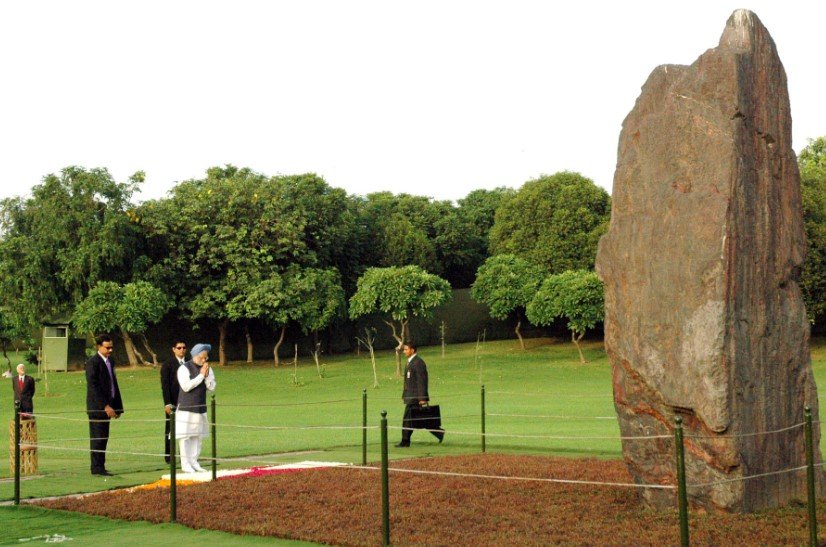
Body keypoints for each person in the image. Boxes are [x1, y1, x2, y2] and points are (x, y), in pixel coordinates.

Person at [85, 334, 124, 476]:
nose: (110, 350)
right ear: (99, 347)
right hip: (97, 408)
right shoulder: (92, 363)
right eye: (107, 347)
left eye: (111, 347)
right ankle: (96, 468)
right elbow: (93, 387)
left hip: (108, 407)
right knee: (98, 438)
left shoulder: (110, 361)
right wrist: (105, 406)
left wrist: (117, 407)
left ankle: (100, 466)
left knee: (104, 437)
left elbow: (113, 385)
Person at [176, 342, 216, 473]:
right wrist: (200, 375)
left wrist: (206, 377)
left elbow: (212, 387)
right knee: (185, 437)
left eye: (206, 358)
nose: (204, 360)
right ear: (195, 356)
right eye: (202, 357)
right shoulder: (184, 368)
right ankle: (185, 464)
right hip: (185, 409)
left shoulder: (207, 369)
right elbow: (186, 386)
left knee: (198, 436)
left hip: (200, 408)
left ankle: (194, 462)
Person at [396, 340, 444, 447]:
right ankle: (438, 433)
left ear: (412, 350)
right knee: (419, 419)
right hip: (410, 396)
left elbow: (422, 381)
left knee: (408, 420)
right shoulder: (410, 362)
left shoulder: (418, 363)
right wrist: (405, 395)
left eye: (406, 349)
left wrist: (422, 398)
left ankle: (405, 441)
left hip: (415, 397)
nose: (404, 351)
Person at [160, 339, 186, 463]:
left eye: (183, 347)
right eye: (179, 348)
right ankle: (169, 456)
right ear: (174, 349)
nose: (182, 350)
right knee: (171, 430)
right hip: (173, 402)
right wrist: (167, 403)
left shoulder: (189, 364)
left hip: (186, 402)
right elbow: (165, 385)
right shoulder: (168, 364)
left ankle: (185, 455)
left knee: (186, 429)